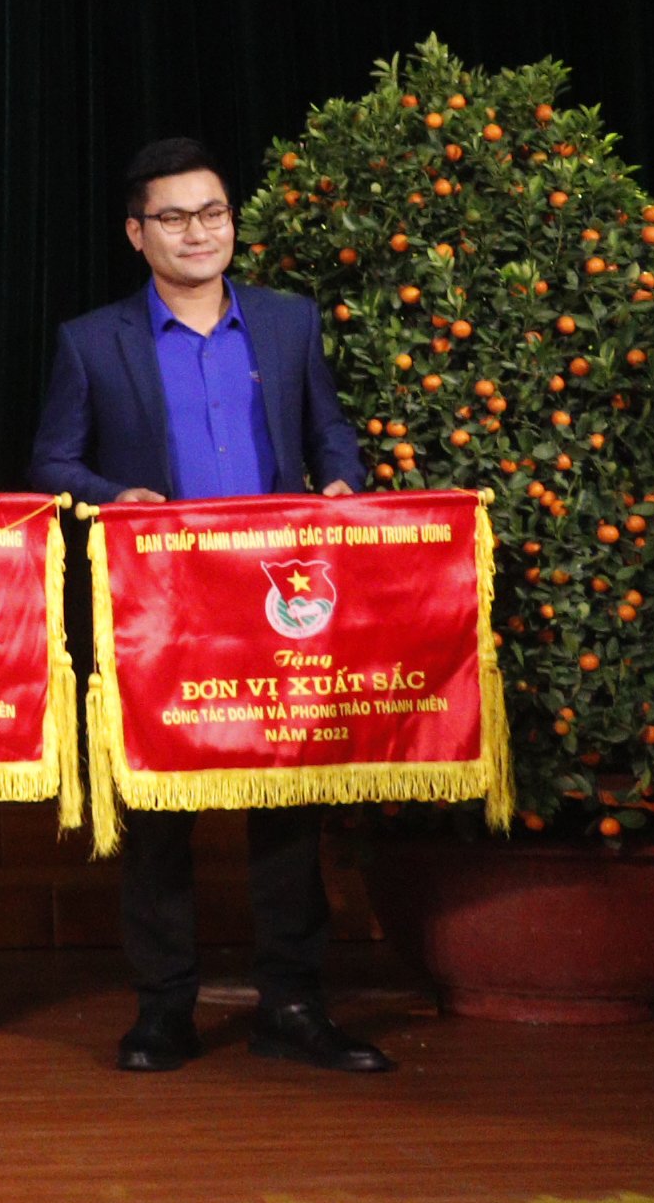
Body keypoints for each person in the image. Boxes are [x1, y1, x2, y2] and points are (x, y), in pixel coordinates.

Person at [26, 136, 389, 1076]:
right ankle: (163, 1010)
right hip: (161, 612)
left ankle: (294, 1004)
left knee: (287, 809)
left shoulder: (286, 321)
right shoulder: (92, 340)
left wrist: (342, 482)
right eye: (176, 217)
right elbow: (53, 462)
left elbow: (329, 431)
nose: (199, 232)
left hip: (277, 605)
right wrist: (115, 496)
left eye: (214, 213)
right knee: (158, 816)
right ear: (137, 233)